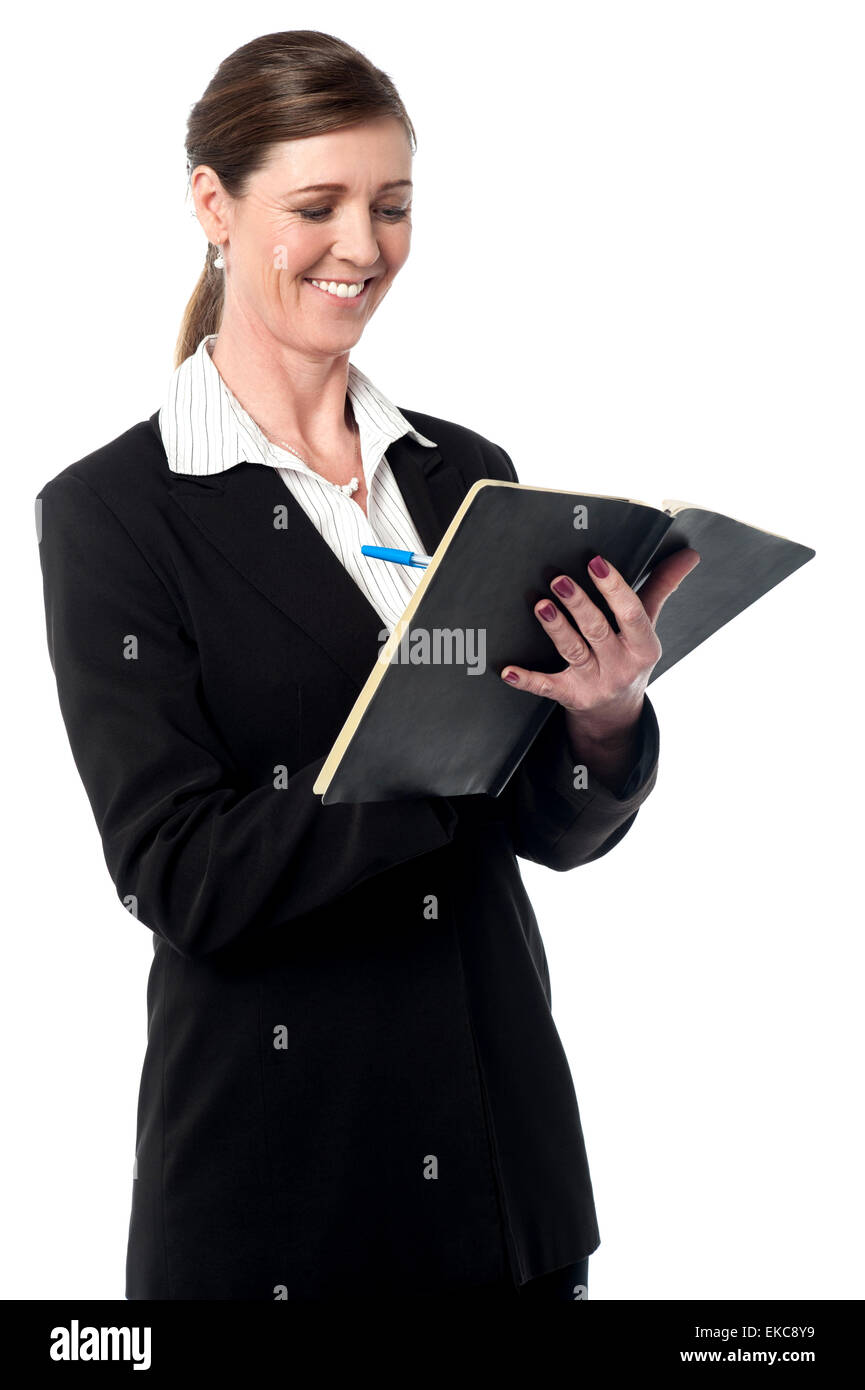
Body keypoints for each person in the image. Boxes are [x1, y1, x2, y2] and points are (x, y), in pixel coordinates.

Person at [35, 29, 699, 1302]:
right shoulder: (116, 512)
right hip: (283, 1194)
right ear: (212, 206)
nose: (364, 245)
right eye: (318, 206)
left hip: (507, 1183)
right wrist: (431, 754)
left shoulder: (463, 474)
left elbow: (543, 829)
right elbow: (177, 872)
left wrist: (601, 722)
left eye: (392, 206)